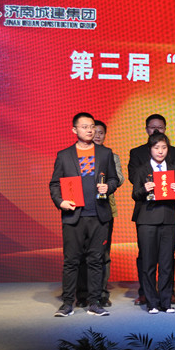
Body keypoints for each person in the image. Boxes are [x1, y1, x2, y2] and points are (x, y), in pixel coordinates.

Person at [49, 112, 118, 317]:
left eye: (92, 126)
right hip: (74, 215)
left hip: (99, 214)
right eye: (85, 126)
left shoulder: (105, 153)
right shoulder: (64, 155)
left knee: (96, 260)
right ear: (74, 130)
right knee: (71, 261)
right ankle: (67, 303)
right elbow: (55, 183)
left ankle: (94, 303)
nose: (90, 130)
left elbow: (114, 179)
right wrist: (60, 202)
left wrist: (109, 187)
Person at [128, 114, 175, 306]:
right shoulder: (138, 155)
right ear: (147, 129)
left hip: (168, 213)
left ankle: (167, 295)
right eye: (153, 127)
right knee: (146, 257)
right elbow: (134, 183)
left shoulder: (174, 155)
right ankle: (146, 294)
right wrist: (146, 187)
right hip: (147, 212)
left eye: (163, 147)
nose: (160, 151)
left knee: (167, 259)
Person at [75, 120, 123, 308]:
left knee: (102, 254)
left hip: (104, 209)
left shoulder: (110, 155)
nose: (97, 135)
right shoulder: (77, 155)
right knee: (82, 253)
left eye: (101, 132)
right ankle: (82, 294)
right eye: (94, 131)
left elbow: (119, 179)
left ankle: (101, 293)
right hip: (81, 209)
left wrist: (107, 182)